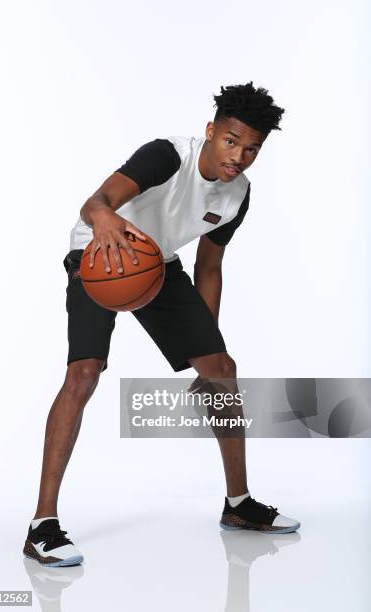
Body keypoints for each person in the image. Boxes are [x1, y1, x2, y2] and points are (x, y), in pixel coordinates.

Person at [23, 82, 300, 567]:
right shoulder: (165, 156)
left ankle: (238, 506)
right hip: (98, 251)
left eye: (252, 148)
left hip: (156, 262)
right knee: (84, 373)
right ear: (211, 131)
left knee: (222, 369)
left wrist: (204, 347)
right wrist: (104, 220)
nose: (239, 155)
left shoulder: (238, 195)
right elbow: (94, 203)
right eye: (231, 141)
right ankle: (42, 525)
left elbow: (209, 268)